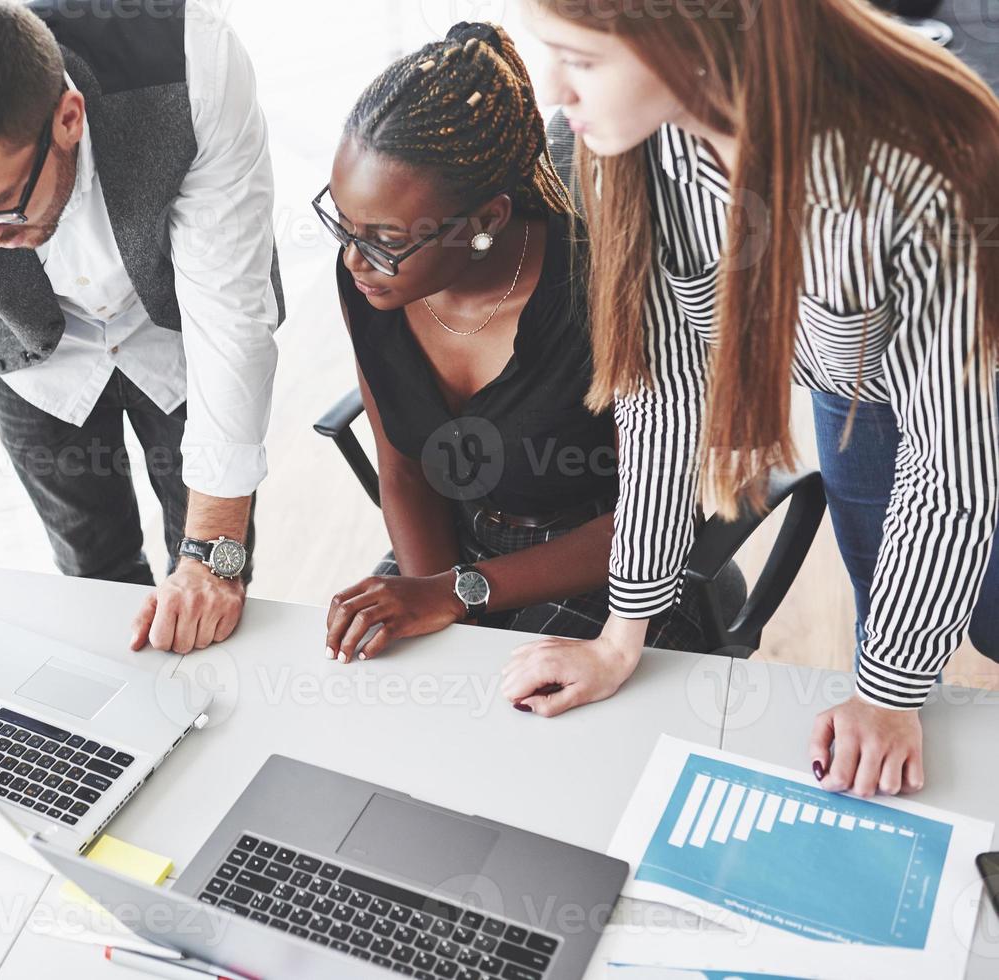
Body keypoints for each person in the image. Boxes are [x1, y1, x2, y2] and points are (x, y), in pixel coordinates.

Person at [506, 0, 999, 799]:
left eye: (582, 60)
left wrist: (887, 695)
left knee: (990, 617)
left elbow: (950, 465)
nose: (552, 88)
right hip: (859, 371)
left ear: (692, 37)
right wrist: (622, 636)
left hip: (975, 360)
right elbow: (664, 397)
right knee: (894, 604)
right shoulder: (631, 145)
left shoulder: (922, 159)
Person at [0, 0, 283, 708]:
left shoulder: (190, 62)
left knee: (208, 570)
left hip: (179, 327)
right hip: (32, 360)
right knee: (90, 568)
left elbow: (229, 320)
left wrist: (213, 558)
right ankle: (132, 731)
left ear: (68, 117)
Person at [321, 22, 705, 663]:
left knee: (527, 725)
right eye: (342, 222)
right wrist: (437, 600)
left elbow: (652, 518)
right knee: (394, 698)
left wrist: (458, 594)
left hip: (609, 568)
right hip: (455, 545)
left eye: (385, 238)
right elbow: (406, 471)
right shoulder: (369, 282)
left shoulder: (604, 289)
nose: (355, 259)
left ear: (488, 221)